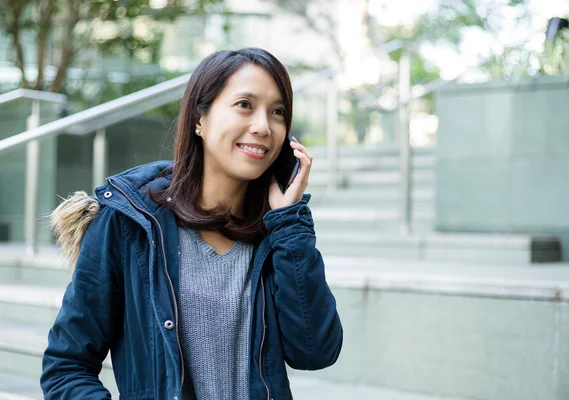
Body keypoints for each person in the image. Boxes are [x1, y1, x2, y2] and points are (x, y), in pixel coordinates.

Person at [40, 48, 343, 400]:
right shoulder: (130, 223)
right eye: (244, 104)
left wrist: (289, 224)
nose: (263, 126)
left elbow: (315, 351)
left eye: (277, 112)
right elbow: (66, 368)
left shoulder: (278, 232)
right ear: (200, 119)